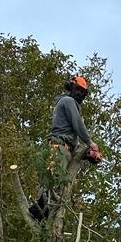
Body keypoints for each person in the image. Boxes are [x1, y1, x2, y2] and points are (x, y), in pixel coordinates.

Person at [29, 76, 102, 221]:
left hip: (65, 148)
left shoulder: (68, 104)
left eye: (83, 92)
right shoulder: (68, 101)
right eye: (79, 90)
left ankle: (44, 215)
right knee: (53, 181)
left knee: (57, 184)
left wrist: (88, 154)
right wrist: (91, 143)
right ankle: (39, 211)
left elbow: (72, 135)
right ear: (72, 88)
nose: (80, 94)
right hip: (59, 147)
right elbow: (78, 125)